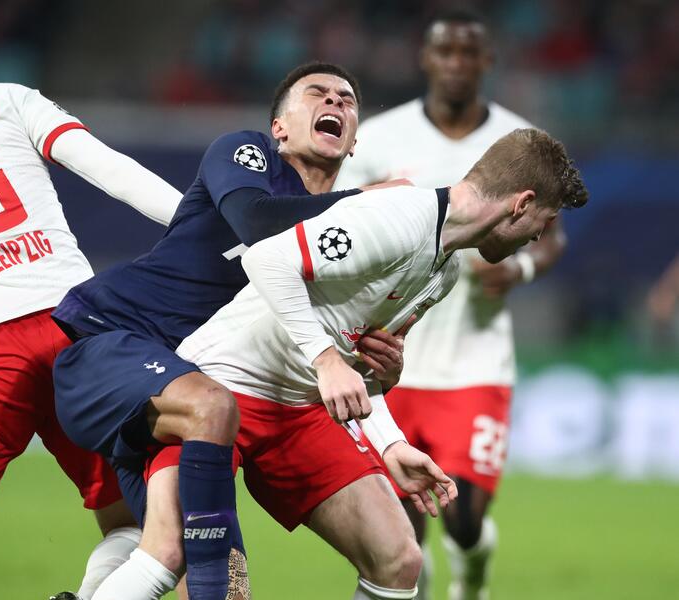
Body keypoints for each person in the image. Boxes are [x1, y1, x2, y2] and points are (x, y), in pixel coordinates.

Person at [167, 127, 588, 600]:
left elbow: (360, 365)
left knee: (400, 560)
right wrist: (326, 359)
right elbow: (266, 260)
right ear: (522, 203)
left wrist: (389, 443)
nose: (538, 236)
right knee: (208, 581)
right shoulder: (399, 216)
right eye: (544, 221)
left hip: (298, 411)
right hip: (218, 390)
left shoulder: (445, 271)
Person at [50, 62, 406, 600]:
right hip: (116, 343)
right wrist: (365, 201)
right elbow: (256, 221)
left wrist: (381, 372)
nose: (335, 101)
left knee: (199, 569)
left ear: (354, 142)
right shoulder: (246, 152)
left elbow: (332, 351)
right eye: (318, 93)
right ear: (279, 127)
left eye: (347, 99)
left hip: (205, 390)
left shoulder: (350, 242)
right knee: (203, 541)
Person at [0, 12, 184, 600]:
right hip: (80, 333)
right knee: (138, 526)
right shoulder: (4, 98)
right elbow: (115, 173)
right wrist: (212, 236)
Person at [334, 9, 569, 599]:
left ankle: (473, 572)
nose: (457, 64)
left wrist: (518, 267)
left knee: (463, 519)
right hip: (388, 358)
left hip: (475, 361)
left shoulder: (521, 141)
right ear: (427, 58)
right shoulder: (380, 139)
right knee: (404, 523)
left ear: (486, 61)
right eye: (446, 51)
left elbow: (554, 237)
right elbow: (344, 219)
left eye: (469, 53)